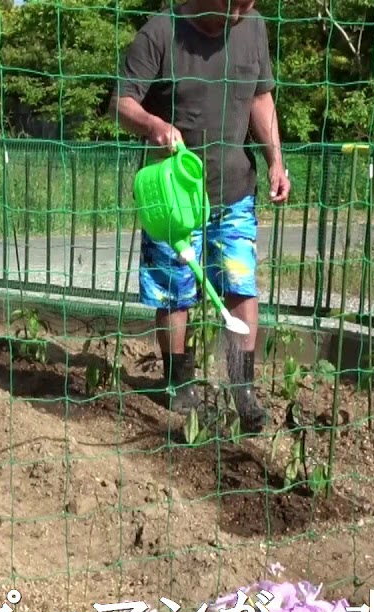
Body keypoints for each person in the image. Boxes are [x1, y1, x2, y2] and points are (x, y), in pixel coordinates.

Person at [113, 0, 289, 431]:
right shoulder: (160, 31)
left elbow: (261, 97)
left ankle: (242, 388)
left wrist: (275, 160)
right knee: (175, 291)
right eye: (233, 3)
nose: (241, 11)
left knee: (240, 282)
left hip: (234, 192)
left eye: (248, 3)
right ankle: (179, 383)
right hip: (174, 199)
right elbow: (121, 102)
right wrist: (152, 124)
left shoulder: (254, 27)